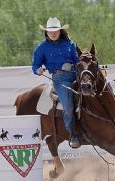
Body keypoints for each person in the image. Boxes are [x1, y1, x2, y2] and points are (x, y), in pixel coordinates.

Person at [32, 17, 81, 148]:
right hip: (60, 79)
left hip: (76, 75)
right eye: (50, 31)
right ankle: (73, 134)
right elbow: (35, 66)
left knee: (96, 88)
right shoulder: (41, 48)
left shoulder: (70, 44)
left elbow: (78, 61)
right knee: (68, 106)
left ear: (60, 31)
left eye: (56, 31)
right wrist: (39, 70)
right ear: (46, 32)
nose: (53, 33)